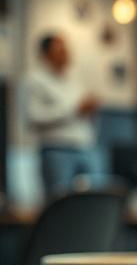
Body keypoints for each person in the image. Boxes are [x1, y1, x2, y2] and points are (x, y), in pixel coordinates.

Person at [25, 33, 100, 196]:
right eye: (59, 49)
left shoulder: (73, 81)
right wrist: (75, 109)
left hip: (84, 147)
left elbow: (81, 114)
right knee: (60, 200)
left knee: (90, 199)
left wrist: (90, 110)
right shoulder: (35, 80)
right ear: (45, 55)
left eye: (66, 48)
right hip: (57, 150)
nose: (65, 53)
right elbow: (34, 116)